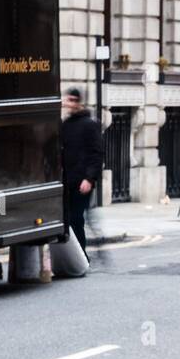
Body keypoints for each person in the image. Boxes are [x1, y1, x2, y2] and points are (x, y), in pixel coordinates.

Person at [61, 87, 103, 254]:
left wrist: (89, 179)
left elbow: (97, 153)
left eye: (72, 100)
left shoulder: (89, 125)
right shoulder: (65, 125)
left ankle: (82, 255)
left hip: (82, 182)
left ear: (79, 103)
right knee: (69, 220)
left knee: (76, 219)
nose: (69, 104)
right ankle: (75, 256)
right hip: (67, 180)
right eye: (67, 100)